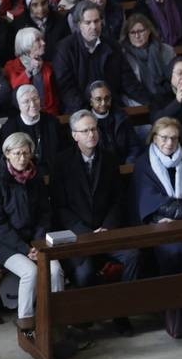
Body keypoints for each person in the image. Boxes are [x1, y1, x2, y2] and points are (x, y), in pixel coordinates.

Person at [50, 109, 140, 313]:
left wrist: (107, 227)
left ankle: (123, 311)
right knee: (84, 273)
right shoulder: (62, 162)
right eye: (85, 131)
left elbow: (118, 200)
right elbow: (59, 206)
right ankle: (87, 315)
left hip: (106, 229)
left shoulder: (109, 159)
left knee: (132, 256)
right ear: (74, 135)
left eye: (93, 129)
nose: (91, 134)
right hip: (78, 234)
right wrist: (85, 233)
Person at [0, 131, 65, 330]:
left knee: (56, 270)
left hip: (34, 240)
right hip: (4, 243)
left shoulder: (34, 176)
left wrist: (36, 243)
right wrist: (24, 248)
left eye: (26, 153)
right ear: (7, 154)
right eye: (17, 153)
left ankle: (58, 319)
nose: (22, 158)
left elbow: (45, 212)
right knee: (30, 272)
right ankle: (26, 322)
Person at [54, 1, 125, 112]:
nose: (94, 27)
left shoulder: (112, 45)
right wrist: (86, 110)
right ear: (79, 25)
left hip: (110, 106)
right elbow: (66, 88)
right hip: (79, 111)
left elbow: (126, 78)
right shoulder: (64, 49)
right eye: (88, 23)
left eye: (97, 21)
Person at [2, 24, 57, 113]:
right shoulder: (11, 66)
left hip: (49, 113)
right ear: (27, 46)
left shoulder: (47, 66)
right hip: (23, 112)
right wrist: (29, 70)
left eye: (42, 39)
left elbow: (54, 98)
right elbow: (15, 91)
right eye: (38, 40)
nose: (43, 43)